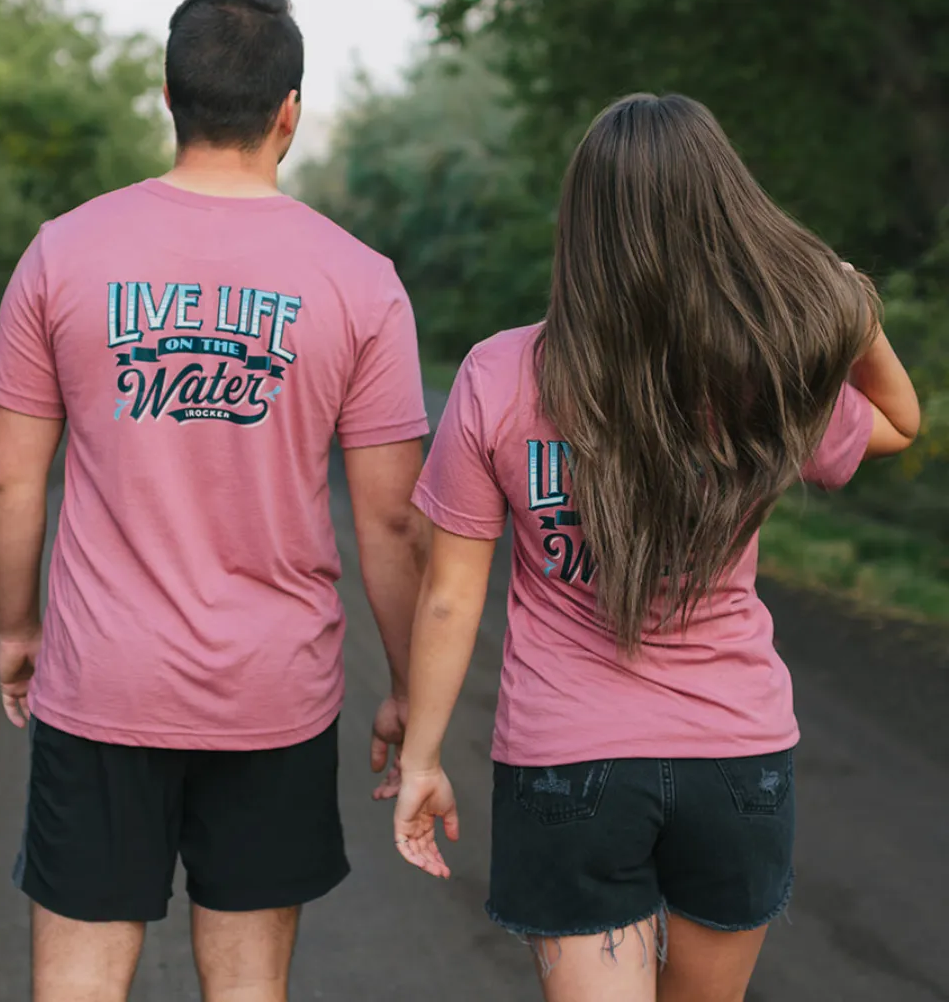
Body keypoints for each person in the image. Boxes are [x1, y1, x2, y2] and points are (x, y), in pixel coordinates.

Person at [391, 94, 921, 1002]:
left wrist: (422, 761)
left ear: (580, 227)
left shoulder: (499, 374)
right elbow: (901, 422)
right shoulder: (761, 381)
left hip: (568, 766)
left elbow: (449, 595)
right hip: (736, 758)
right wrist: (845, 297)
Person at [0, 0, 429, 1002]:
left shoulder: (64, 252)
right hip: (274, 693)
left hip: (101, 683)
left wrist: (17, 629)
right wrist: (408, 684)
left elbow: (9, 482)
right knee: (248, 987)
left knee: (79, 980)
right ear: (289, 113)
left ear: (169, 98)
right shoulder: (360, 281)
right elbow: (392, 520)